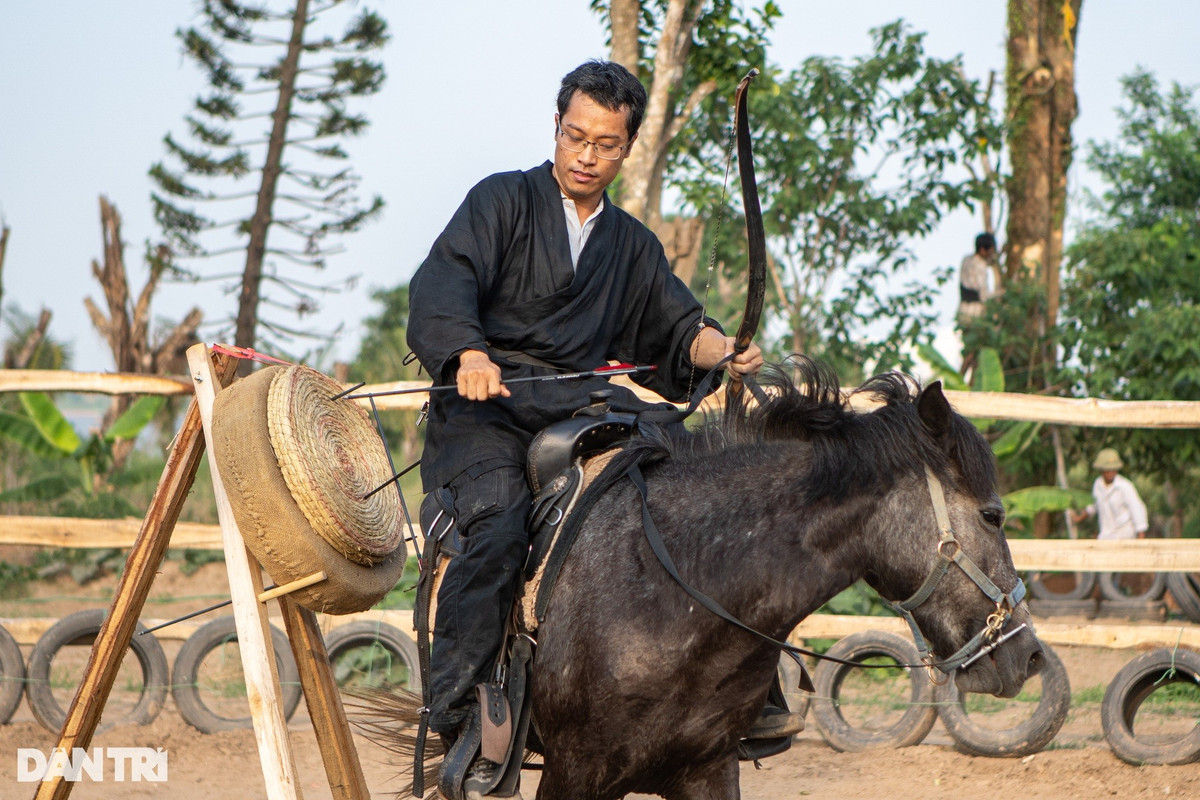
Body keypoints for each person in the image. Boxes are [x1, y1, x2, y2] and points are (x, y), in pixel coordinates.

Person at [406, 60, 765, 798]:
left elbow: (680, 326)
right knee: (501, 523)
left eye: (605, 143)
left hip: (578, 410)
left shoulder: (631, 244)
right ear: (558, 127)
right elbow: (442, 285)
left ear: (626, 148)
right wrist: (468, 353)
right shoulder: (501, 200)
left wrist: (720, 347)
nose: (585, 155)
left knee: (687, 481)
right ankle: (459, 710)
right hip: (484, 413)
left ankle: (744, 691)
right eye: (575, 136)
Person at [1071, 449, 1149, 540]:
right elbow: (1093, 507)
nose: (1110, 473)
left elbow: (1137, 512)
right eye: (1107, 470)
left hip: (1125, 538)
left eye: (1113, 469)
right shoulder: (1098, 485)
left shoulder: (1125, 487)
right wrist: (1078, 518)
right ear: (1101, 470)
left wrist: (1140, 541)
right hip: (1106, 537)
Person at [957, 232, 1000, 377]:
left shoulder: (966, 260)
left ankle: (961, 380)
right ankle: (964, 380)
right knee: (974, 351)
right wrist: (1001, 294)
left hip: (963, 309)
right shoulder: (980, 266)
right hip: (975, 312)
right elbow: (984, 296)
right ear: (983, 250)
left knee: (969, 349)